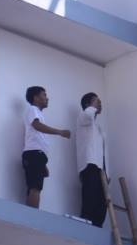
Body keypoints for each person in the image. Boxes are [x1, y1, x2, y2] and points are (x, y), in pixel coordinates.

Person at [22, 86, 71, 209]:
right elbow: (37, 126)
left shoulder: (37, 113)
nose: (47, 98)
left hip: (36, 155)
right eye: (44, 95)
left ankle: (30, 215)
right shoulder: (32, 109)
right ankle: (32, 217)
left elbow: (37, 137)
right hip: (34, 154)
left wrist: (43, 163)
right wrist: (60, 132)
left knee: (34, 187)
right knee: (35, 187)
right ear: (36, 97)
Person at [76, 92, 107, 226]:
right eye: (96, 101)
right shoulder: (83, 117)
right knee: (90, 196)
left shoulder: (97, 126)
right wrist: (92, 106)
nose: (100, 103)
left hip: (99, 167)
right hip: (89, 164)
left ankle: (97, 226)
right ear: (88, 104)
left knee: (102, 201)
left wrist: (107, 172)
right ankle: (86, 224)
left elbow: (103, 152)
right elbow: (88, 113)